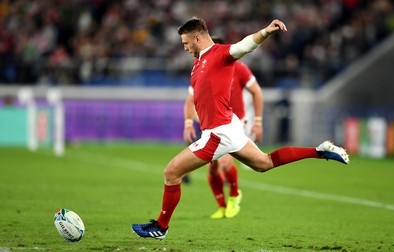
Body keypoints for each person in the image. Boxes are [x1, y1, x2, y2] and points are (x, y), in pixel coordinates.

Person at [131, 17, 349, 240]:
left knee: (171, 172)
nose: (184, 47)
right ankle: (320, 151)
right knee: (263, 163)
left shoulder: (221, 54)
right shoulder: (198, 63)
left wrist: (265, 31)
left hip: (218, 133)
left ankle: (161, 226)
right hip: (229, 127)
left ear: (197, 37)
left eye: (186, 42)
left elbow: (244, 45)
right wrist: (192, 119)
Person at [183, 35, 264, 219]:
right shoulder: (201, 67)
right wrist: (188, 122)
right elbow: (190, 99)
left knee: (226, 162)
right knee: (212, 169)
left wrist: (258, 122)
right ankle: (222, 205)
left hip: (235, 123)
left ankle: (235, 194)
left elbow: (256, 92)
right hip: (214, 125)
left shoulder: (238, 68)